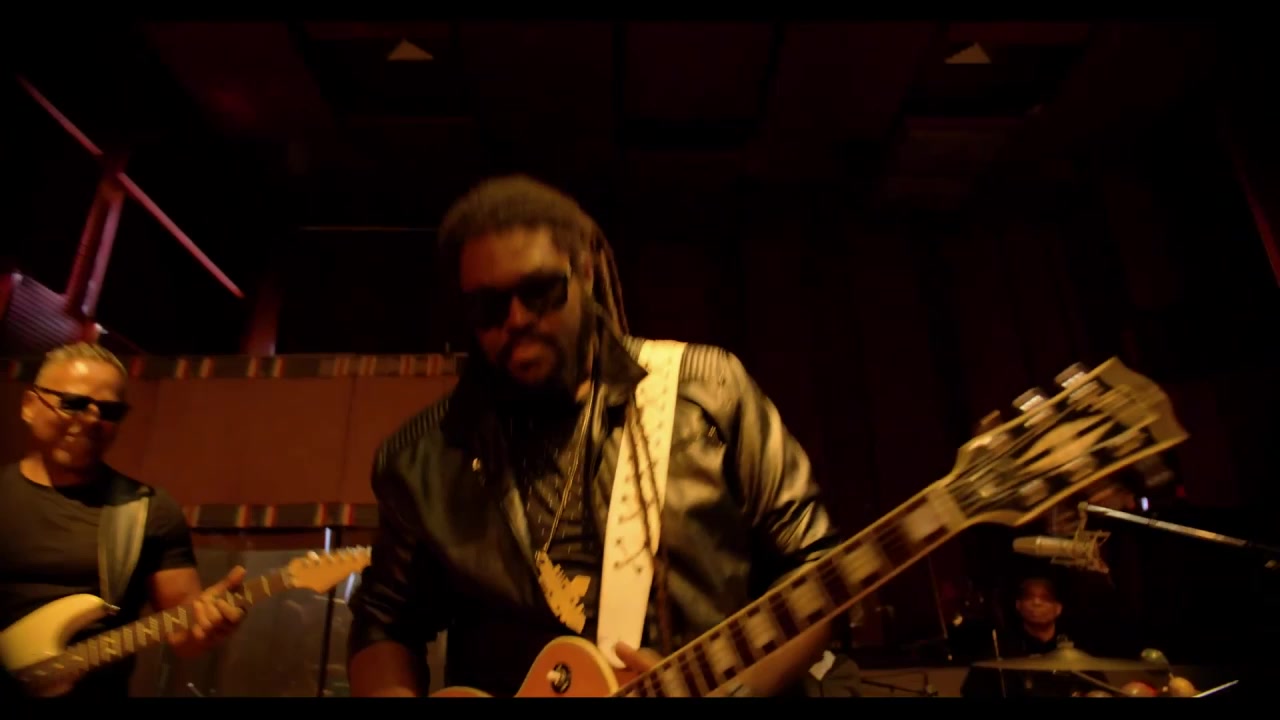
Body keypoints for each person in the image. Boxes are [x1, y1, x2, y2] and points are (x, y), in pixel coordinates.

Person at [346, 175, 844, 698]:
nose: (516, 320)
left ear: (584, 272)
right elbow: (384, 623)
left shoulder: (708, 392)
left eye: (539, 291)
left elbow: (815, 568)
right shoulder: (422, 460)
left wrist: (736, 691)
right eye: (489, 306)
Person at [0, 342, 246, 698]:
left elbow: (185, 637)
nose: (92, 420)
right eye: (74, 403)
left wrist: (208, 626)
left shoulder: (147, 510)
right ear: (29, 405)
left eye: (110, 411)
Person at [959, 576, 1081, 698]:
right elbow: (973, 691)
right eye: (1029, 597)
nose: (1036, 602)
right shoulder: (999, 649)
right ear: (1018, 605)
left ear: (1058, 608)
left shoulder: (1074, 650)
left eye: (1045, 598)